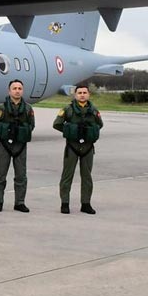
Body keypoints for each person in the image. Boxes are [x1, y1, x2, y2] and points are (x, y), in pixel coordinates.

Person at [52, 84, 103, 214]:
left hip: (88, 147)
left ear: (88, 94)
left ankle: (86, 204)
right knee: (67, 176)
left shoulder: (93, 110)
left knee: (87, 177)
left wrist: (89, 132)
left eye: (84, 92)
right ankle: (65, 203)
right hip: (72, 147)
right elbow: (57, 124)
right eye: (79, 93)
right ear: (75, 95)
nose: (82, 95)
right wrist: (70, 131)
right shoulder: (68, 109)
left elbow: (99, 125)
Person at [0, 79, 35, 213]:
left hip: (20, 146)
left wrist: (21, 133)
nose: (17, 91)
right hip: (4, 145)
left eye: (19, 88)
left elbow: (31, 125)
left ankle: (20, 202)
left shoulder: (28, 109)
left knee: (21, 175)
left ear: (23, 91)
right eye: (14, 88)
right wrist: (6, 132)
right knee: (0, 175)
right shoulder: (1, 108)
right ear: (9, 91)